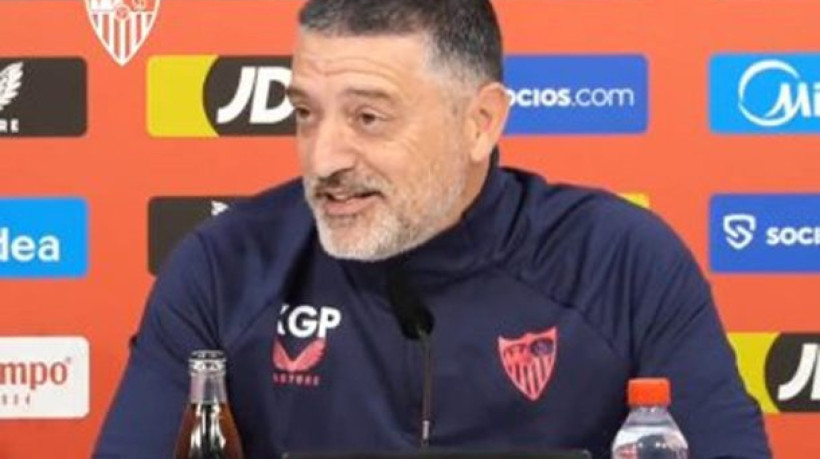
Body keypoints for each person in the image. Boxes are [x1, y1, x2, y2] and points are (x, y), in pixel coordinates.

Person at [94, 0, 771, 457]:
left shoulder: (622, 262)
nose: (323, 158)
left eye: (368, 118)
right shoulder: (225, 266)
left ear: (480, 123)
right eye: (305, 113)